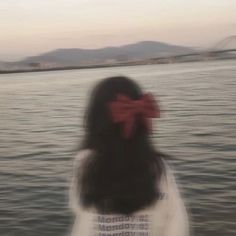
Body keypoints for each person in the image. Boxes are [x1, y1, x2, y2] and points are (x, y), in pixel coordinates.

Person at [68, 76, 189, 236]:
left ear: (95, 120)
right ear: (142, 122)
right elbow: (177, 220)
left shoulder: (84, 162)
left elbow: (77, 206)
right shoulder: (159, 167)